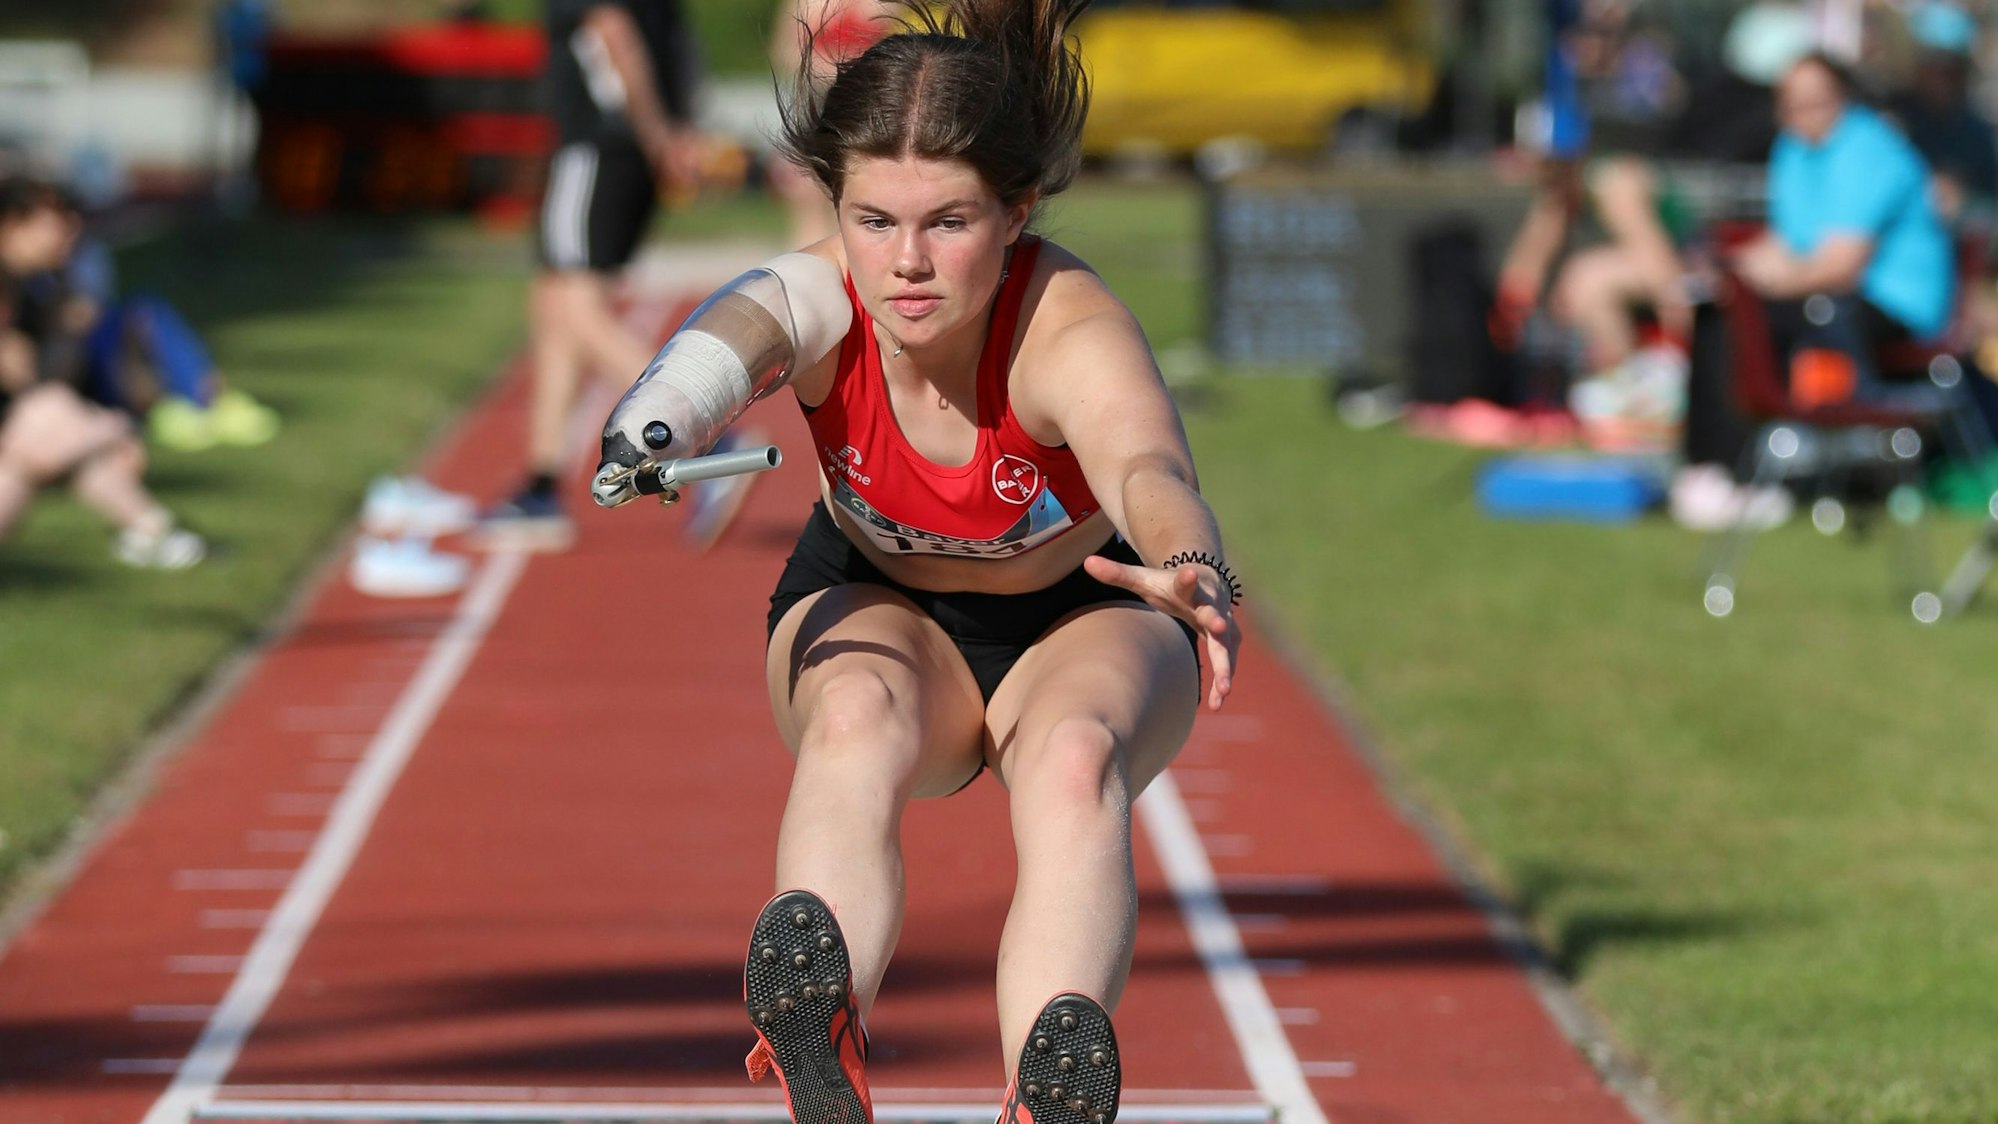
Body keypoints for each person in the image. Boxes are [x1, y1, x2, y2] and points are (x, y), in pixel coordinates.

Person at [590, 2, 1241, 1120]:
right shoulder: (822, 293)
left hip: (1086, 613)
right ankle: (820, 1029)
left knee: (1074, 759)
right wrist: (657, 425)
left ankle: (1048, 1092)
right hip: (878, 601)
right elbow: (732, 336)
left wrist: (1188, 560)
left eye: (948, 222)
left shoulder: (1066, 325)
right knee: (857, 714)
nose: (905, 264)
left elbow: (1146, 465)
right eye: (872, 219)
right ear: (836, 208)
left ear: (1016, 209)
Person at [476, 0, 729, 551]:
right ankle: (542, 485)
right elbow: (678, 45)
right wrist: (677, 128)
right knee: (555, 304)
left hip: (597, 146)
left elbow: (615, 34)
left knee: (571, 306)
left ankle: (708, 436)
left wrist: (660, 133)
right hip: (621, 150)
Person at [1673, 52, 1959, 530]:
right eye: (1791, 102)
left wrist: (1759, 283)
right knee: (1715, 305)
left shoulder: (1870, 149)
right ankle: (1706, 467)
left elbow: (1839, 266)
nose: (1803, 111)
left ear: (1843, 97)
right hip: (1829, 298)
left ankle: (1734, 469)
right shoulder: (1794, 149)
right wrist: (1725, 273)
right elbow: (1786, 243)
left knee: (1740, 318)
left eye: (1815, 100)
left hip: (1893, 306)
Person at [0, 178, 206, 568]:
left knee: (40, 449)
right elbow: (26, 381)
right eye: (56, 218)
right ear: (12, 225)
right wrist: (105, 431)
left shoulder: (44, 284)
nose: (70, 228)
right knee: (46, 421)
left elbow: (39, 375)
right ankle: (151, 528)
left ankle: (151, 531)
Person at [766, 0, 897, 248]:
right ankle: (810, 254)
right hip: (817, 99)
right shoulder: (806, 4)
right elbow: (786, 51)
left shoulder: (883, 5)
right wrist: (829, 67)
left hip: (865, 101)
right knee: (808, 187)